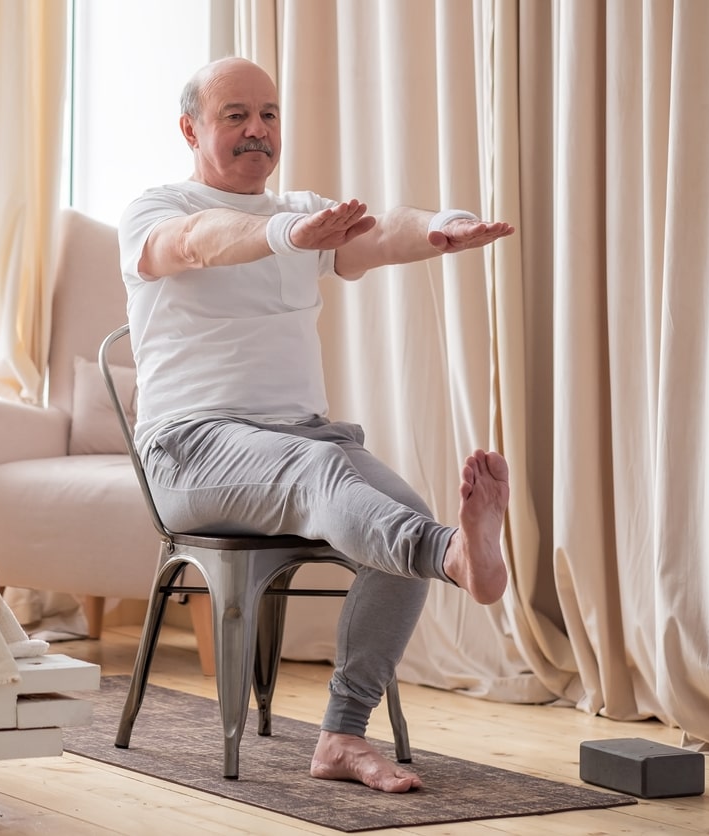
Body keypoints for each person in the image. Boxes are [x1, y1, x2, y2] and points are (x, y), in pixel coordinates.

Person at [117, 56, 516, 793]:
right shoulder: (157, 207)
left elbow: (377, 232)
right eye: (235, 115)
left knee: (394, 516)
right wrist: (290, 236)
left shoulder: (299, 207)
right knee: (332, 483)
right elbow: (200, 242)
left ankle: (340, 737)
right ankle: (451, 553)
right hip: (190, 450)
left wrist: (438, 227)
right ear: (190, 128)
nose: (256, 130)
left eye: (268, 114)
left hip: (298, 438)